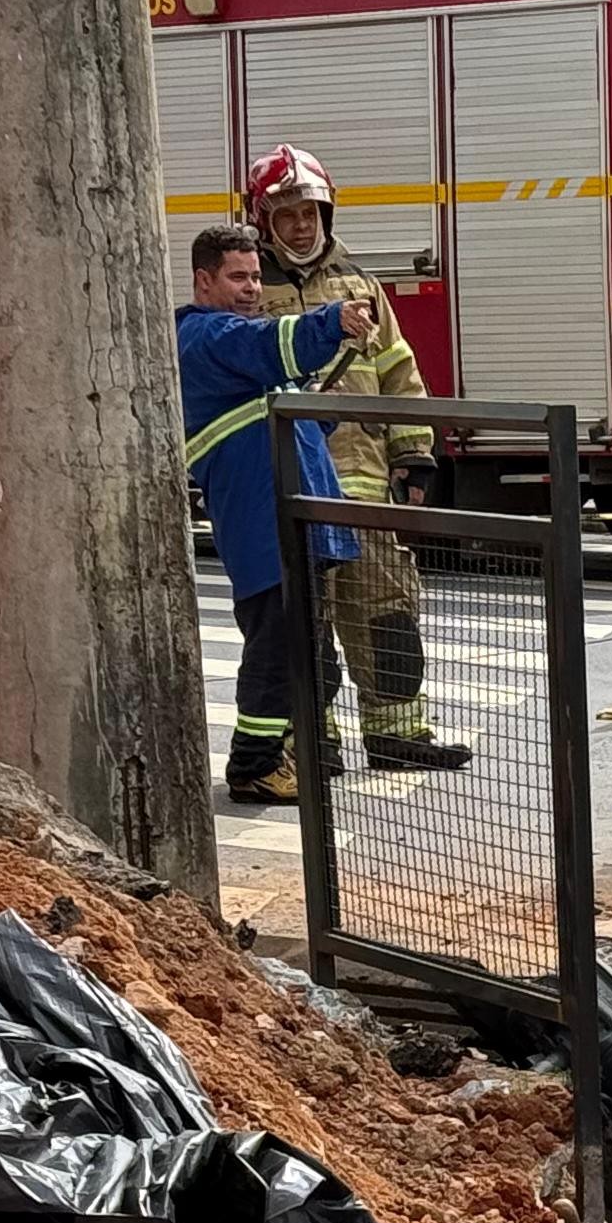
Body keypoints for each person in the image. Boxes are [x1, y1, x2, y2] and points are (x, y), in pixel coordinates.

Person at [245, 143, 451, 766]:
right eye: (288, 214)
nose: (303, 224)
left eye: (312, 211)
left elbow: (398, 369)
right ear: (264, 221)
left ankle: (399, 736)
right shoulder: (253, 288)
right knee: (305, 622)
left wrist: (414, 453)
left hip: (363, 485)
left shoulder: (361, 283)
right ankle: (314, 741)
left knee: (386, 612)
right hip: (295, 485)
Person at [178, 221, 374, 805]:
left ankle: (283, 756)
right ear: (203, 280)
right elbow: (270, 346)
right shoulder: (206, 335)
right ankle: (255, 765)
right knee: (280, 648)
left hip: (286, 517)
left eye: (256, 276)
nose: (251, 288)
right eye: (238, 276)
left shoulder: (229, 340)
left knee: (308, 652)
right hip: (264, 520)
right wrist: (330, 322)